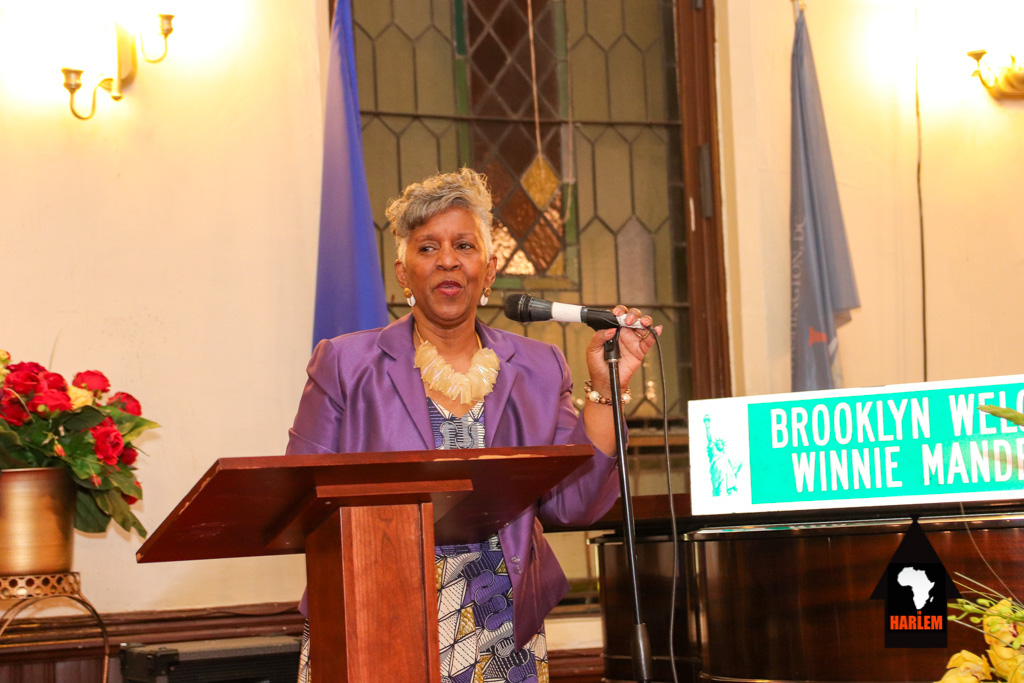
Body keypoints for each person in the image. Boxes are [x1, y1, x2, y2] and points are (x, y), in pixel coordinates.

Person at [288, 168, 659, 683]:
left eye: (464, 245)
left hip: (501, 632)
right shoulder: (345, 364)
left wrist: (605, 388)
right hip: (371, 622)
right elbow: (301, 500)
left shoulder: (539, 367)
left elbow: (575, 503)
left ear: (489, 270)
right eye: (428, 247)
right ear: (402, 272)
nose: (448, 260)